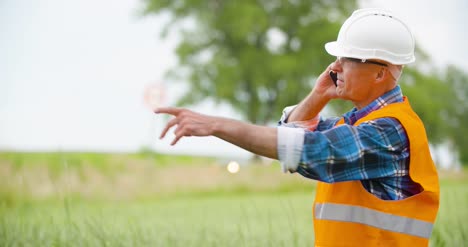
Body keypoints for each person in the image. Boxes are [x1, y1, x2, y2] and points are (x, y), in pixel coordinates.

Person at [155, 8, 439, 246]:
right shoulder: (353, 123)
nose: (334, 67)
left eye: (347, 59)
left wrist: (216, 124)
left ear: (380, 72)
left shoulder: (389, 131)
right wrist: (318, 96)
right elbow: (292, 134)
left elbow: (310, 151)